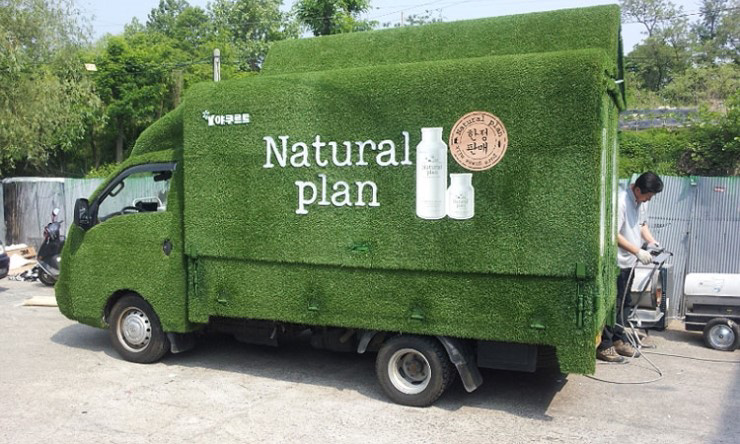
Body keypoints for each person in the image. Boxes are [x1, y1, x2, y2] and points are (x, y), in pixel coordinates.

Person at [597, 172, 664, 363]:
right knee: (612, 305)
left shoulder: (640, 202)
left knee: (625, 304)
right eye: (648, 195)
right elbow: (613, 234)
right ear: (638, 189)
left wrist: (651, 242)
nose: (649, 199)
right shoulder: (620, 202)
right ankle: (605, 346)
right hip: (615, 263)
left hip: (629, 263)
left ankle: (618, 339)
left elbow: (642, 225)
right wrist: (637, 251)